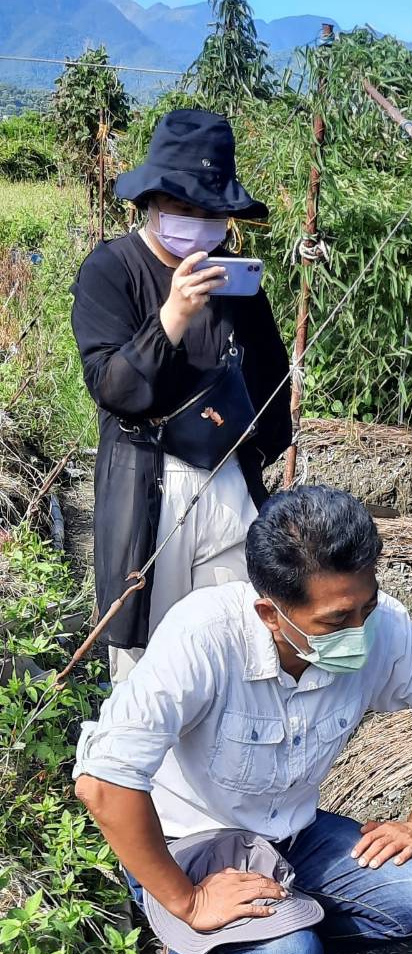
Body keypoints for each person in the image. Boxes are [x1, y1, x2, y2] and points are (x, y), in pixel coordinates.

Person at [73, 487, 412, 954]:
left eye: (366, 606)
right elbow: (103, 782)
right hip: (190, 845)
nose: (359, 631)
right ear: (270, 612)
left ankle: (278, 932)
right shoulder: (203, 636)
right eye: (337, 620)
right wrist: (187, 900)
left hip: (294, 837)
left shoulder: (378, 628)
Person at [71, 109, 292, 682]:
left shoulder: (236, 284)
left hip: (225, 482)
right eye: (184, 209)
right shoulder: (112, 270)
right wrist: (171, 317)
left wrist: (253, 457)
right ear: (151, 203)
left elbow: (272, 379)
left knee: (234, 644)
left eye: (211, 213)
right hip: (148, 483)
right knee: (151, 663)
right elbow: (112, 388)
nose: (199, 224)